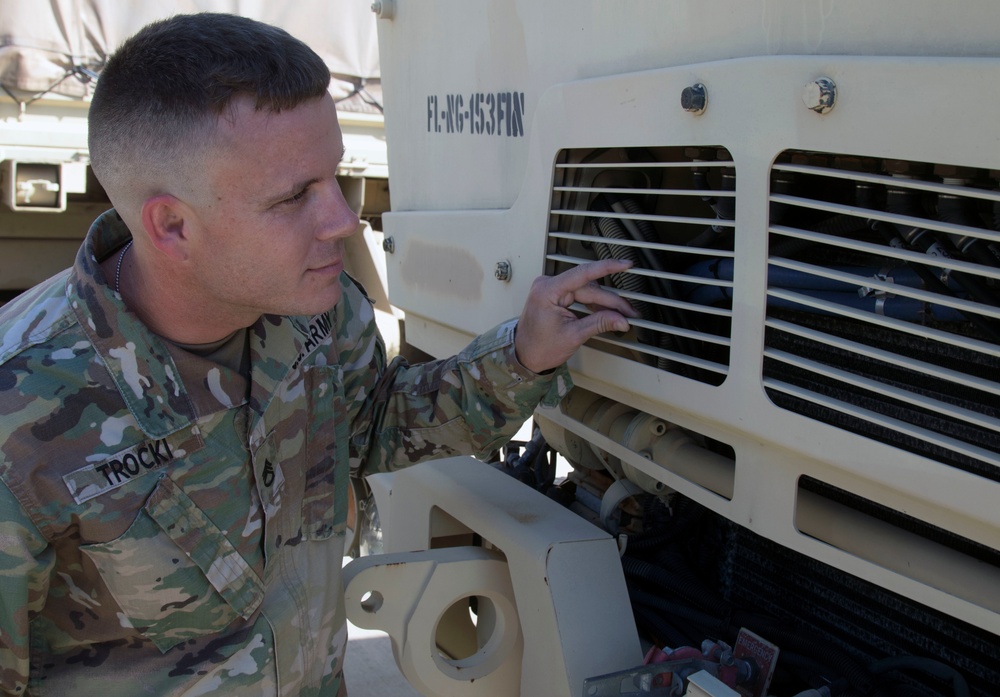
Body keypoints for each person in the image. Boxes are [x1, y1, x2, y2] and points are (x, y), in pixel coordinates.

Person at [0, 12, 635, 696]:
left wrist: (522, 356)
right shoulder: (23, 410)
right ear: (173, 225)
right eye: (295, 195)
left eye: (334, 177)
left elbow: (376, 425)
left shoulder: (318, 315)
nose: (341, 220)